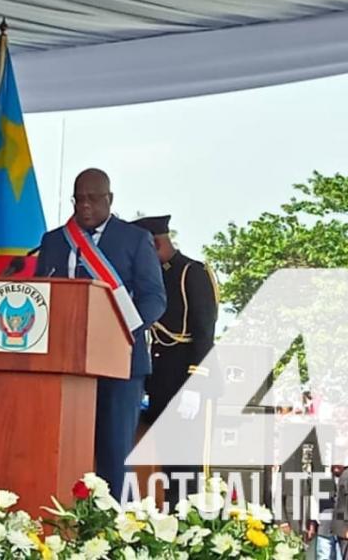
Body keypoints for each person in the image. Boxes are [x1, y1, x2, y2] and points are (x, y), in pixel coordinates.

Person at [34, 168, 166, 498]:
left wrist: (124, 330)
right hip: (64, 362)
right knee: (61, 450)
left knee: (114, 454)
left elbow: (155, 297)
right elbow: (42, 295)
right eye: (79, 199)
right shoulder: (54, 241)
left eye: (93, 199)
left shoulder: (134, 239)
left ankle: (115, 534)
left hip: (120, 363)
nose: (85, 206)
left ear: (110, 199)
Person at [131, 215, 219, 505]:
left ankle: (187, 520)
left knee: (186, 462)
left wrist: (195, 383)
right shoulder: (151, 277)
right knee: (166, 459)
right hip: (160, 376)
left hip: (186, 374)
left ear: (155, 244)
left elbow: (204, 330)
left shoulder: (191, 272)